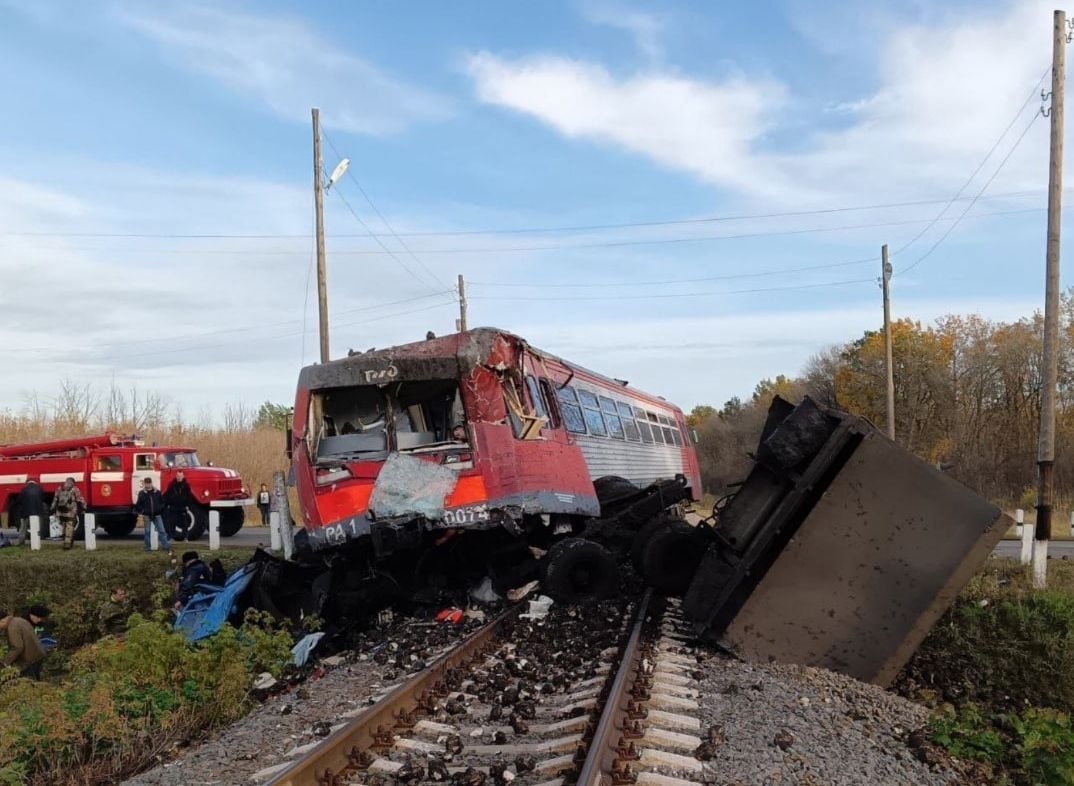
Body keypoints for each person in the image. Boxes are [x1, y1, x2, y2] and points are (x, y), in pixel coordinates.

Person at [0, 608, 46, 680]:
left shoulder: (12, 628)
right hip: (38, 654)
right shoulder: (18, 620)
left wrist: (4, 662)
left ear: (2, 621)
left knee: (29, 685)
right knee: (37, 683)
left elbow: (17, 647)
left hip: (30, 659)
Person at [135, 477, 171, 552]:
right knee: (147, 532)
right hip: (147, 515)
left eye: (149, 483)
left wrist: (160, 509)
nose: (148, 485)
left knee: (162, 531)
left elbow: (162, 502)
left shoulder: (157, 492)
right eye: (146, 483)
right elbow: (138, 505)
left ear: (151, 483)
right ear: (144, 484)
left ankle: (166, 546)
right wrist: (143, 511)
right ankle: (148, 547)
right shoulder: (141, 493)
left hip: (157, 515)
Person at [50, 477, 84, 550]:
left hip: (61, 512)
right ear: (73, 482)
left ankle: (66, 541)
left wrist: (52, 509)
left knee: (64, 527)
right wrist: (84, 507)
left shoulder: (59, 488)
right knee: (70, 527)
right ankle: (67, 544)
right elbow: (80, 499)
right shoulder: (74, 489)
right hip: (70, 511)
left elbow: (55, 499)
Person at [163, 470, 195, 542]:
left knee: (185, 523)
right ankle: (170, 537)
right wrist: (168, 504)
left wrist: (187, 505)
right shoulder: (171, 484)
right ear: (176, 476)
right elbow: (167, 495)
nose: (179, 477)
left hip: (183, 507)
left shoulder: (186, 485)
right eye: (177, 476)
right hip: (173, 507)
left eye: (180, 476)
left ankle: (185, 538)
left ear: (183, 476)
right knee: (172, 523)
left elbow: (189, 496)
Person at [14, 478, 44, 546]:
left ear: (27, 483)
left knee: (23, 528)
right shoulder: (40, 488)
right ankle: (37, 541)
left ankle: (21, 542)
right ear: (35, 483)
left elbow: (19, 500)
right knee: (38, 527)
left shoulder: (24, 489)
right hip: (37, 512)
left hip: (25, 512)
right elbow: (43, 499)